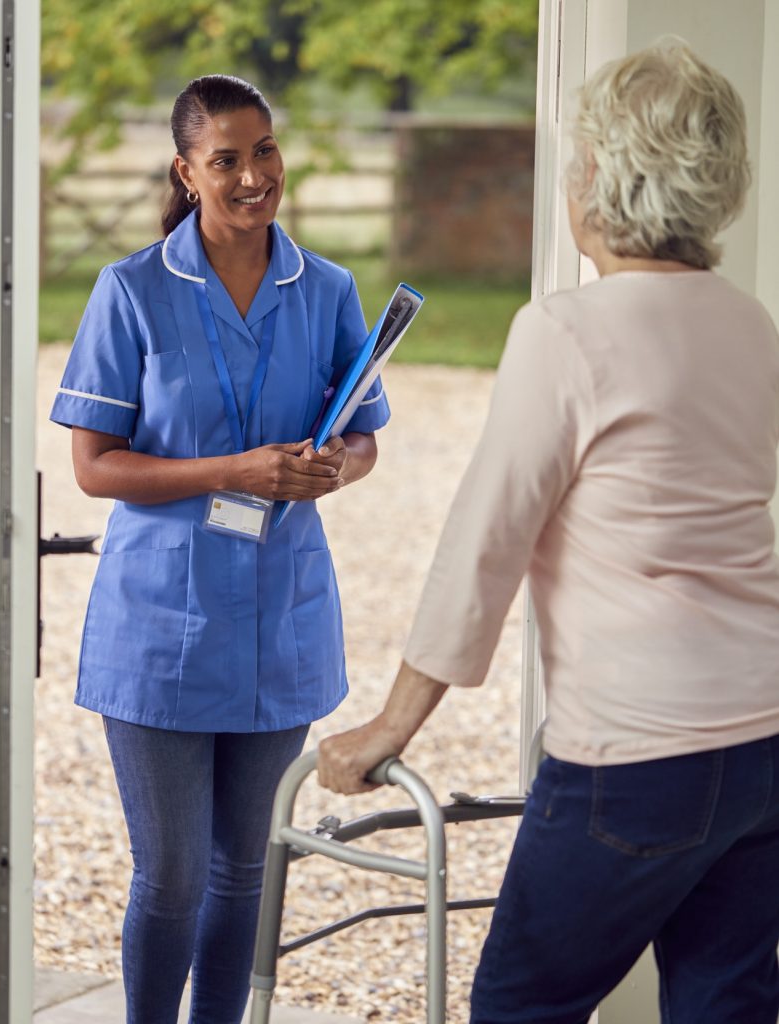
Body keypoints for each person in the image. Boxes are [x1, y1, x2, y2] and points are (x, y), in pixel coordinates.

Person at [318, 39, 779, 1024]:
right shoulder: (749, 324)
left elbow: (484, 542)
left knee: (520, 1005)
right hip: (761, 738)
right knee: (725, 1003)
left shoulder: (565, 332)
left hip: (637, 751)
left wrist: (390, 726)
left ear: (605, 180)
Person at [50, 74, 390, 1024]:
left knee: (243, 872)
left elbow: (363, 433)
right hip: (160, 625)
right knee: (170, 875)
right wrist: (231, 470)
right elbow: (94, 467)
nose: (252, 176)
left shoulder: (327, 290)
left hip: (280, 619)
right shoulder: (132, 291)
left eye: (264, 151)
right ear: (187, 172)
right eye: (227, 159)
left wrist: (339, 470)